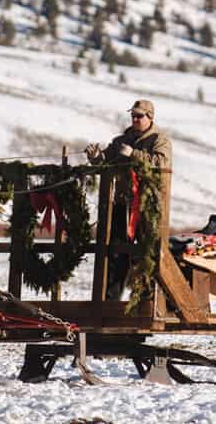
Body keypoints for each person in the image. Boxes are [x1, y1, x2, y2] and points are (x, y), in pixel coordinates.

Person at [85, 99, 172, 300]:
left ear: (150, 117)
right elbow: (106, 162)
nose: (135, 119)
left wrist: (135, 155)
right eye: (133, 115)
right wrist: (96, 157)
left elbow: (162, 163)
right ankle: (110, 301)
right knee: (115, 253)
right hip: (122, 204)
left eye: (139, 116)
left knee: (145, 254)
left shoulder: (159, 140)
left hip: (148, 206)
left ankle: (145, 300)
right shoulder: (121, 140)